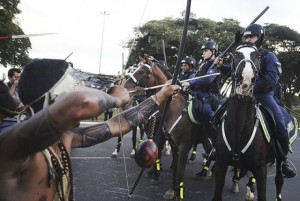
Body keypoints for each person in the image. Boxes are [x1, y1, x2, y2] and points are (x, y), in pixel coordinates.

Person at [0, 58, 181, 201]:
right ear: (54, 101)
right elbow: (81, 102)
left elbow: (118, 124)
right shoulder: (15, 145)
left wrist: (159, 96)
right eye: (70, 91)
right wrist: (115, 99)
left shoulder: (64, 137)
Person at [215, 24, 296, 178]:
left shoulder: (269, 56)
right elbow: (232, 70)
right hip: (240, 96)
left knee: (280, 124)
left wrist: (252, 88)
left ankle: (283, 159)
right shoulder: (241, 54)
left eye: (251, 37)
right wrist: (221, 67)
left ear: (259, 38)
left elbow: (272, 79)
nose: (248, 39)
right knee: (217, 115)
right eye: (246, 37)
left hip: (264, 97)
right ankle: (215, 150)